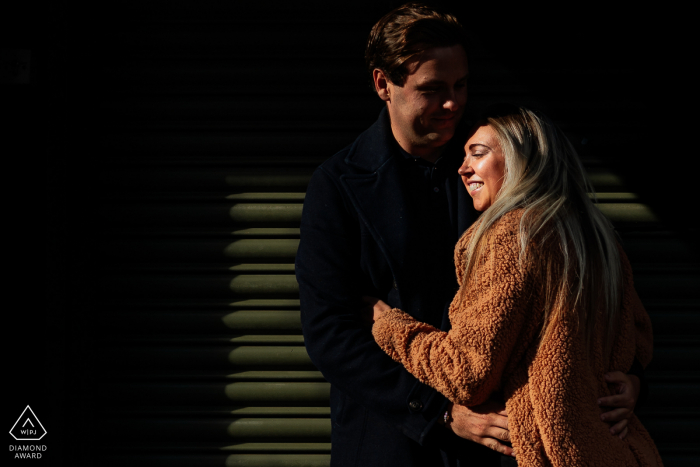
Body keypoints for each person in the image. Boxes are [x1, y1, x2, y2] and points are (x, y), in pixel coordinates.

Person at [295, 3, 645, 466]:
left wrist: (629, 375)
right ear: (384, 85)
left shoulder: (502, 158)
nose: (453, 103)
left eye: (461, 85)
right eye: (432, 89)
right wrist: (439, 412)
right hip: (394, 442)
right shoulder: (338, 184)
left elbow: (585, 284)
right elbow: (329, 332)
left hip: (504, 447)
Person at [369, 104, 663, 466]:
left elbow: (467, 373)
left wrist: (388, 325)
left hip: (548, 453)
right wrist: (633, 382)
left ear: (520, 160)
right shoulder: (597, 238)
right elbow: (639, 340)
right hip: (618, 452)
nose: (462, 169)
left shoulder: (513, 234)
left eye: (477, 154)